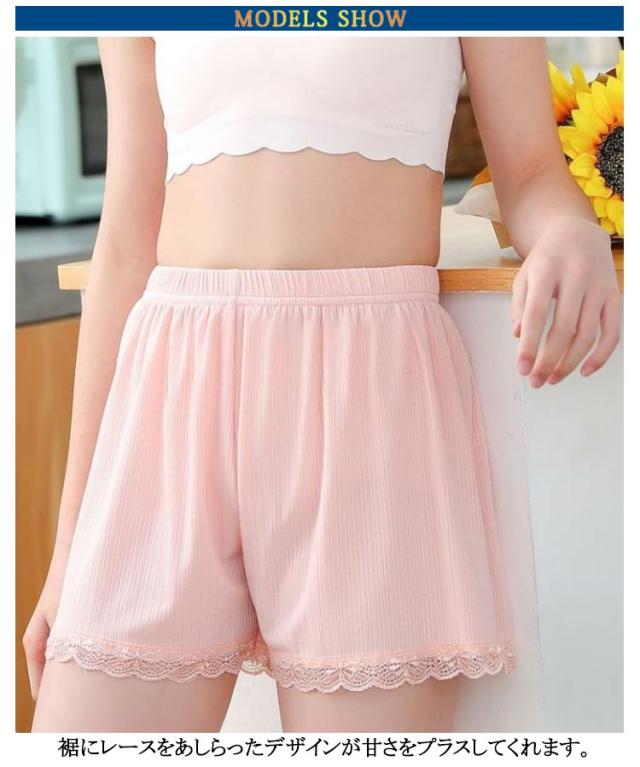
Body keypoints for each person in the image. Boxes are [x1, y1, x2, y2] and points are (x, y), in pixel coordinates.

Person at [26, 35, 620, 733]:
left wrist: (570, 231)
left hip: (367, 397)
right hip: (167, 397)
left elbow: (530, 171)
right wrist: (70, 549)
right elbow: (126, 242)